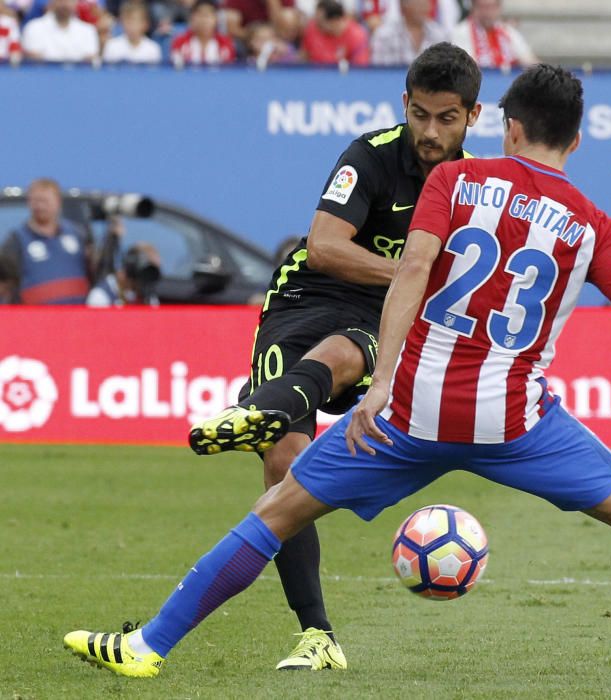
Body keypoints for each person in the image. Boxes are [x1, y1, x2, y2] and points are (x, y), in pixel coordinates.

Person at [64, 64, 611, 685]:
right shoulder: (592, 224)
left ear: (507, 124)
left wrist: (383, 382)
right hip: (515, 423)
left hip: (409, 414)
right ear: (576, 140)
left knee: (276, 513)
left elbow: (412, 273)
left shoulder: (454, 183)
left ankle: (147, 648)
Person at [182, 42, 480, 671]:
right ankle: (317, 636)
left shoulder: (473, 188)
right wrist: (410, 271)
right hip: (301, 300)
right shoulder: (370, 156)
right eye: (420, 114)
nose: (430, 131)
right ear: (405, 104)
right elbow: (322, 246)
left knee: (347, 354)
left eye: (445, 118)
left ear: (471, 117)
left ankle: (253, 411)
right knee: (285, 468)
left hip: (376, 316)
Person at [0, 178, 96, 305]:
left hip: (79, 315)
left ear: (58, 202)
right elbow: (6, 283)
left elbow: (93, 271)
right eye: (35, 201)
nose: (40, 206)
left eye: (45, 201)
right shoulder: (16, 240)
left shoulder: (77, 234)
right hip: (35, 318)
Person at [451, 0, 535, 70]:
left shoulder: (508, 31)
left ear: (499, 8)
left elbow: (528, 60)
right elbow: (465, 67)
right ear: (473, 8)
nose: (488, 13)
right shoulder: (461, 32)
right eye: (483, 7)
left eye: (492, 7)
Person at [370, 0, 448, 66]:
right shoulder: (385, 35)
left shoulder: (439, 34)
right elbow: (380, 73)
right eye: (419, 4)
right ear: (403, 7)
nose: (424, 8)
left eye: (426, 4)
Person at [86, 241, 162, 307]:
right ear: (131, 269)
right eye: (147, 272)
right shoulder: (101, 296)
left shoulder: (148, 298)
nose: (148, 278)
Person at [21, 0, 99, 62]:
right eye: (61, 0)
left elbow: (90, 60)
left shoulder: (88, 31)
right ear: (52, 2)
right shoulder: (33, 27)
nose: (65, 4)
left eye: (70, 0)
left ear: (76, 3)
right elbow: (34, 60)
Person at [300, 0, 369, 66]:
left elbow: (360, 67)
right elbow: (303, 58)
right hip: (316, 75)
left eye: (321, 21)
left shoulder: (357, 35)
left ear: (334, 21)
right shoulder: (312, 29)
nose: (317, 23)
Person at [170, 0, 235, 66]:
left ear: (216, 19)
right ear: (192, 18)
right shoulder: (180, 42)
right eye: (200, 15)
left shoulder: (225, 43)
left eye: (208, 16)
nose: (204, 20)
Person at [221, 0, 301, 46]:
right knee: (230, 17)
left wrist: (273, 3)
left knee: (288, 16)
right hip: (247, 38)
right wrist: (256, 38)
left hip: (278, 37)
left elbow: (291, 24)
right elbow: (230, 26)